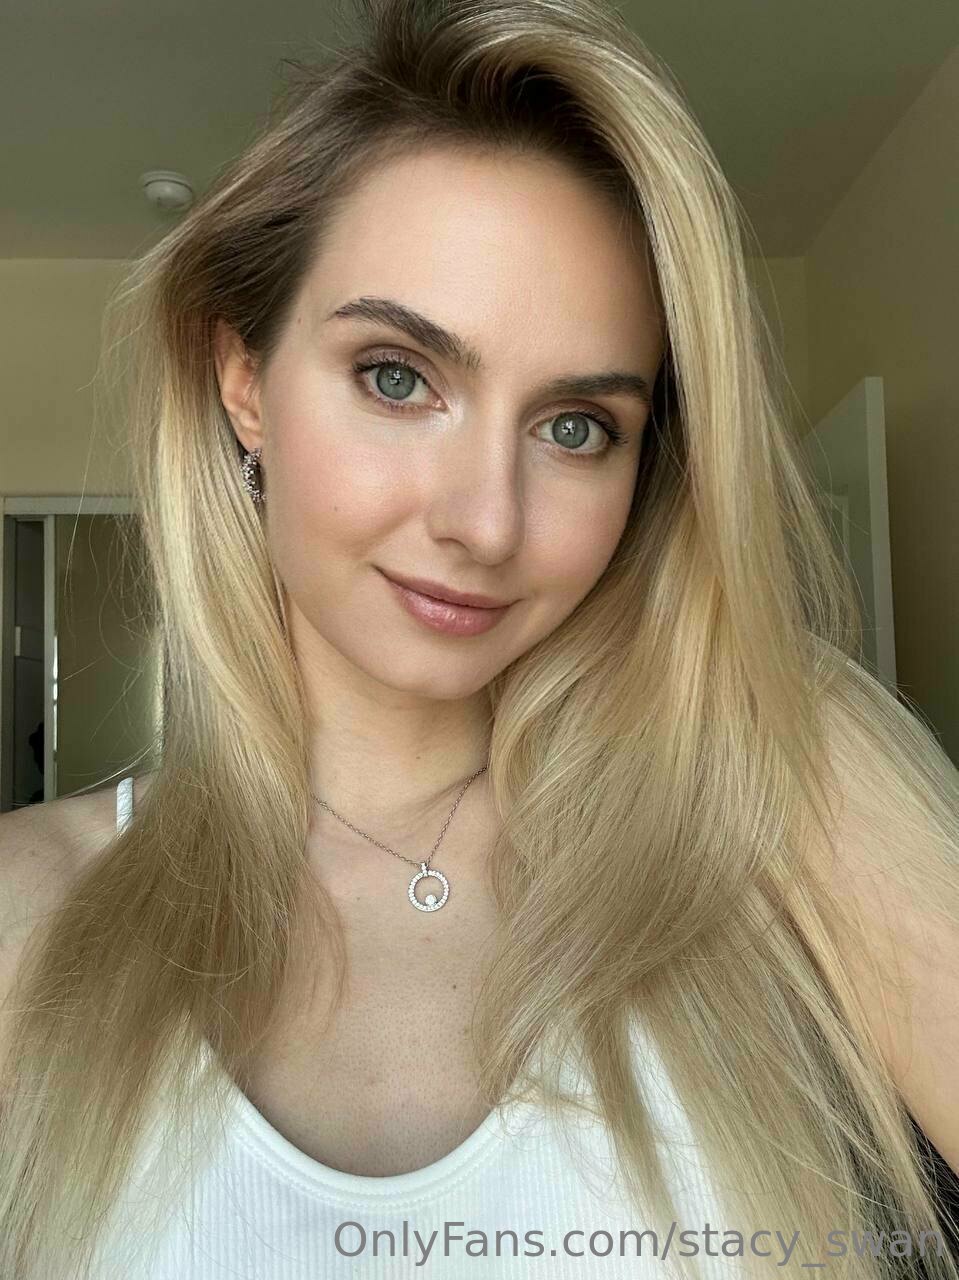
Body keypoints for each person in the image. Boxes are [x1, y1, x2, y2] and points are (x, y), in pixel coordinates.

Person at [1, 0, 957, 1275]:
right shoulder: (27, 915)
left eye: (575, 427)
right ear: (244, 382)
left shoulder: (772, 778)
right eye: (397, 376)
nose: (484, 522)